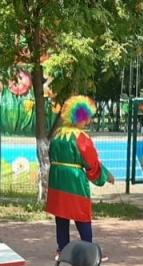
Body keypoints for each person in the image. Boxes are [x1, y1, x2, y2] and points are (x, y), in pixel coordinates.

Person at [45, 95, 114, 256]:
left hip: (57, 179)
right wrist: (105, 175)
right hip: (74, 180)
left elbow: (50, 154)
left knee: (61, 215)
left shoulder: (57, 135)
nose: (88, 121)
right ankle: (89, 251)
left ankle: (62, 249)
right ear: (81, 118)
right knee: (81, 214)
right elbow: (92, 163)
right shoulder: (81, 138)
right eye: (87, 117)